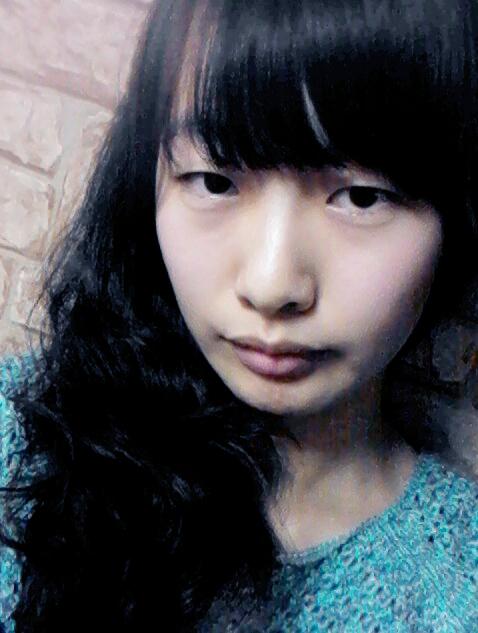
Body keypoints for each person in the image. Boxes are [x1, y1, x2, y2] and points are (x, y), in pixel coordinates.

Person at [1, 0, 477, 630]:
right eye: (214, 182)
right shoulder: (19, 447)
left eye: (362, 197)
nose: (271, 285)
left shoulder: (459, 590)